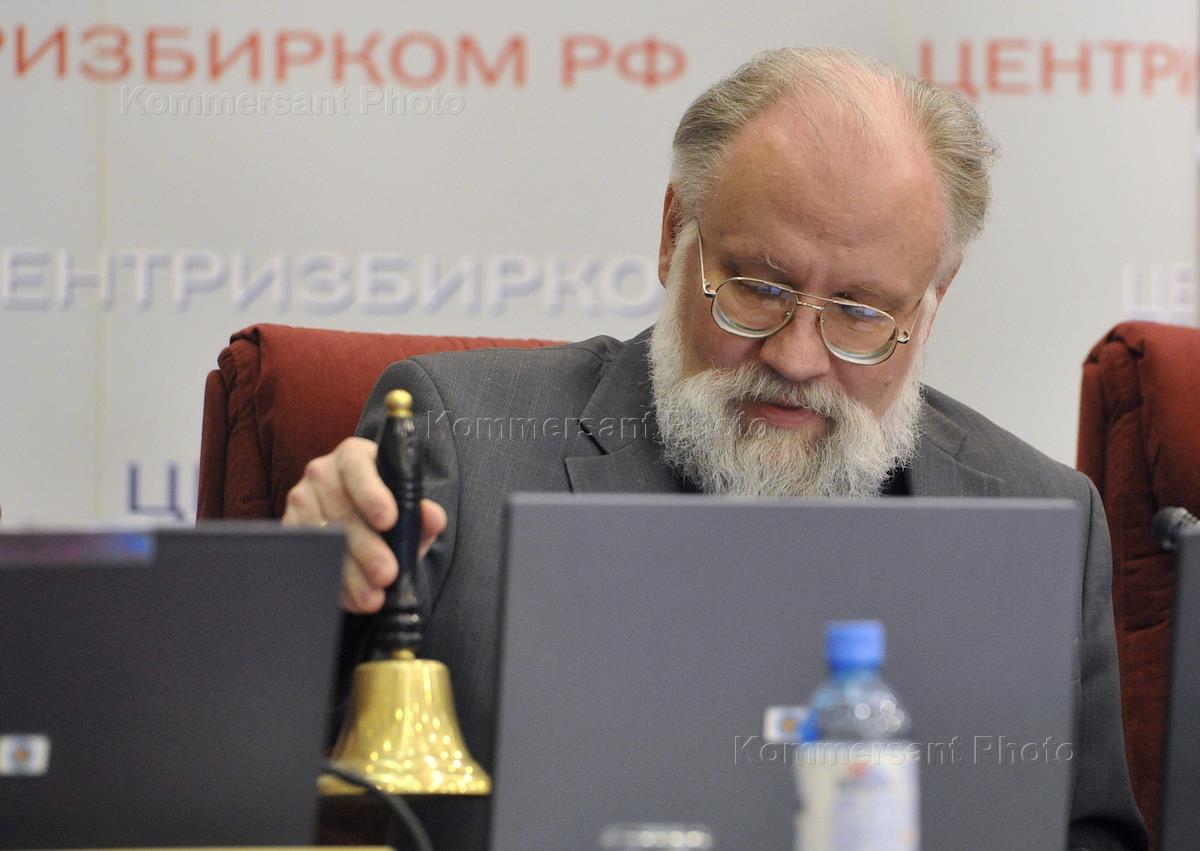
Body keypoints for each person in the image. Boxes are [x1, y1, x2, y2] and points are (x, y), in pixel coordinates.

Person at [284, 47, 1146, 850]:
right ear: (674, 233)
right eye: (759, 287)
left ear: (931, 303)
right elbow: (273, 778)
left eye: (859, 312)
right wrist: (315, 591)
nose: (796, 358)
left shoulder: (1040, 514)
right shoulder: (463, 442)